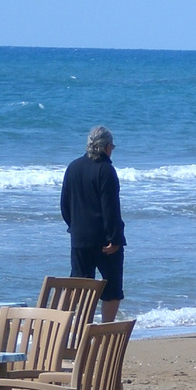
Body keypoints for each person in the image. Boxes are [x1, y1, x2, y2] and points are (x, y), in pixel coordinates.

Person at [60, 125, 126, 323]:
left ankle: (61, 326)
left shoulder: (73, 166)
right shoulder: (106, 170)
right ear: (106, 147)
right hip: (105, 241)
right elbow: (110, 208)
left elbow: (64, 204)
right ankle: (105, 329)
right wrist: (115, 238)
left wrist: (74, 227)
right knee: (112, 288)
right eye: (112, 147)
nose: (112, 150)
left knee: (77, 286)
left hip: (80, 238)